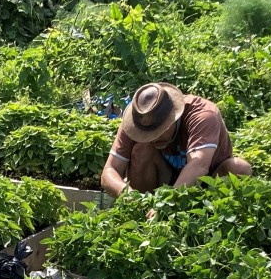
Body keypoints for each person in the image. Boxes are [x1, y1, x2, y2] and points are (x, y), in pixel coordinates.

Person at [99, 82, 251, 199]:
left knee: (239, 168)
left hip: (208, 181)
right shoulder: (136, 120)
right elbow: (109, 171)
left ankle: (210, 216)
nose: (153, 139)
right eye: (147, 134)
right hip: (165, 179)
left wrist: (167, 203)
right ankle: (144, 214)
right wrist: (131, 197)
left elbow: (199, 165)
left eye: (159, 132)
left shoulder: (202, 115)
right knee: (141, 150)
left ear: (173, 117)